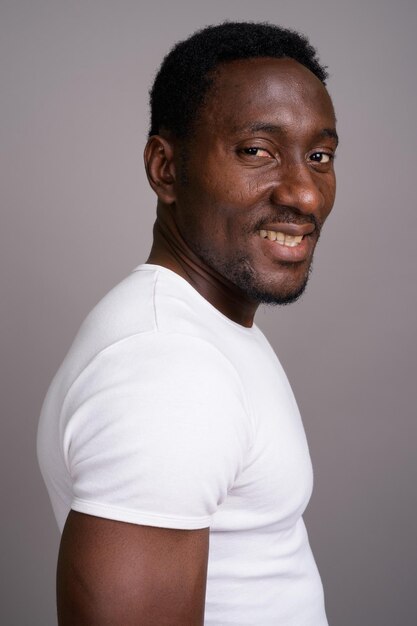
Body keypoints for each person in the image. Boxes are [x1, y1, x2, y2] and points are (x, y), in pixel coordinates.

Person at [37, 21, 338, 625]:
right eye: (257, 150)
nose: (305, 194)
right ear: (165, 169)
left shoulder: (205, 330)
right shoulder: (167, 371)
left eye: (320, 155)